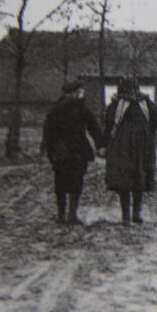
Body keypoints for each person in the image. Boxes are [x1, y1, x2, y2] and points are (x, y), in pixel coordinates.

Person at [41, 80, 104, 225]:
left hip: (61, 151)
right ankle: (72, 215)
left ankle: (62, 215)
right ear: (74, 93)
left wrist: (51, 150)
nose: (83, 94)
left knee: (60, 182)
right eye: (81, 92)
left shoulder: (55, 109)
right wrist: (100, 144)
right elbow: (94, 127)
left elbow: (48, 133)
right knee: (76, 182)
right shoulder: (81, 109)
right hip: (77, 151)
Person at [103, 76, 157, 224]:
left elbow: (108, 122)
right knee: (139, 178)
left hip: (122, 146)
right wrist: (148, 133)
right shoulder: (145, 102)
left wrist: (106, 142)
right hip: (143, 145)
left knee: (124, 180)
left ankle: (126, 216)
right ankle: (137, 214)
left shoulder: (117, 103)